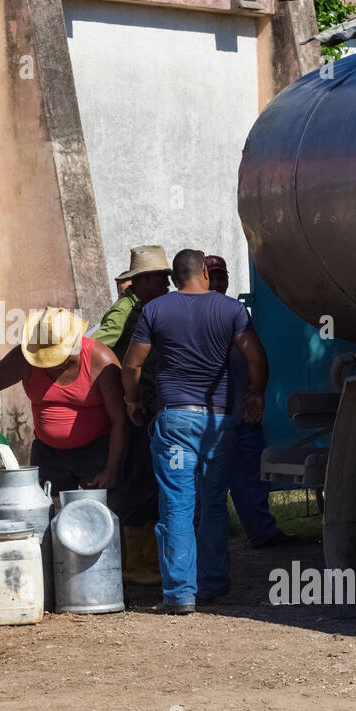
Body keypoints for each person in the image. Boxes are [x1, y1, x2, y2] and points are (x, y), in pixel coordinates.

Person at [122, 249, 267, 614]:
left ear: (173, 278)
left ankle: (180, 593)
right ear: (204, 271)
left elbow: (132, 364)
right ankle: (213, 584)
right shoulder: (232, 310)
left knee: (177, 506)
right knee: (215, 503)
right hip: (218, 422)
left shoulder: (155, 310)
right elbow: (255, 357)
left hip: (175, 422)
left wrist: (132, 399)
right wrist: (255, 393)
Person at [0, 307, 125, 495]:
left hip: (97, 452)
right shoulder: (27, 356)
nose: (48, 364)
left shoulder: (101, 360)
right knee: (48, 513)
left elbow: (120, 419)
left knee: (98, 515)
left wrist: (111, 469)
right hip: (48, 454)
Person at [94, 246, 173, 585]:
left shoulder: (156, 308)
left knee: (155, 482)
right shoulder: (128, 311)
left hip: (154, 404)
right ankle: (138, 564)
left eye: (168, 276)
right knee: (139, 480)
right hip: (139, 406)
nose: (167, 283)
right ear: (142, 281)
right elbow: (98, 346)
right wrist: (129, 397)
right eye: (160, 277)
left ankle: (150, 560)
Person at [206, 256, 284, 549]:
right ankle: (212, 541)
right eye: (211, 277)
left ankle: (261, 532)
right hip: (209, 419)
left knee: (251, 477)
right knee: (208, 484)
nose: (216, 283)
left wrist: (255, 392)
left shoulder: (235, 311)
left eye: (221, 277)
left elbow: (255, 356)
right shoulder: (196, 312)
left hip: (241, 410)